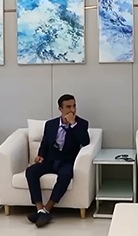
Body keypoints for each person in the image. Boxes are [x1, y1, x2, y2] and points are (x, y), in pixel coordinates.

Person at [25, 94, 90, 228]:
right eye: (68, 107)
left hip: (67, 161)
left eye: (74, 106)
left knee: (65, 175)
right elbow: (45, 143)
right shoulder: (50, 124)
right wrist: (40, 155)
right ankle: (39, 209)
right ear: (60, 109)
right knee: (31, 171)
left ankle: (47, 209)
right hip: (50, 160)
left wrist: (73, 124)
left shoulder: (81, 124)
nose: (72, 110)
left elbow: (85, 141)